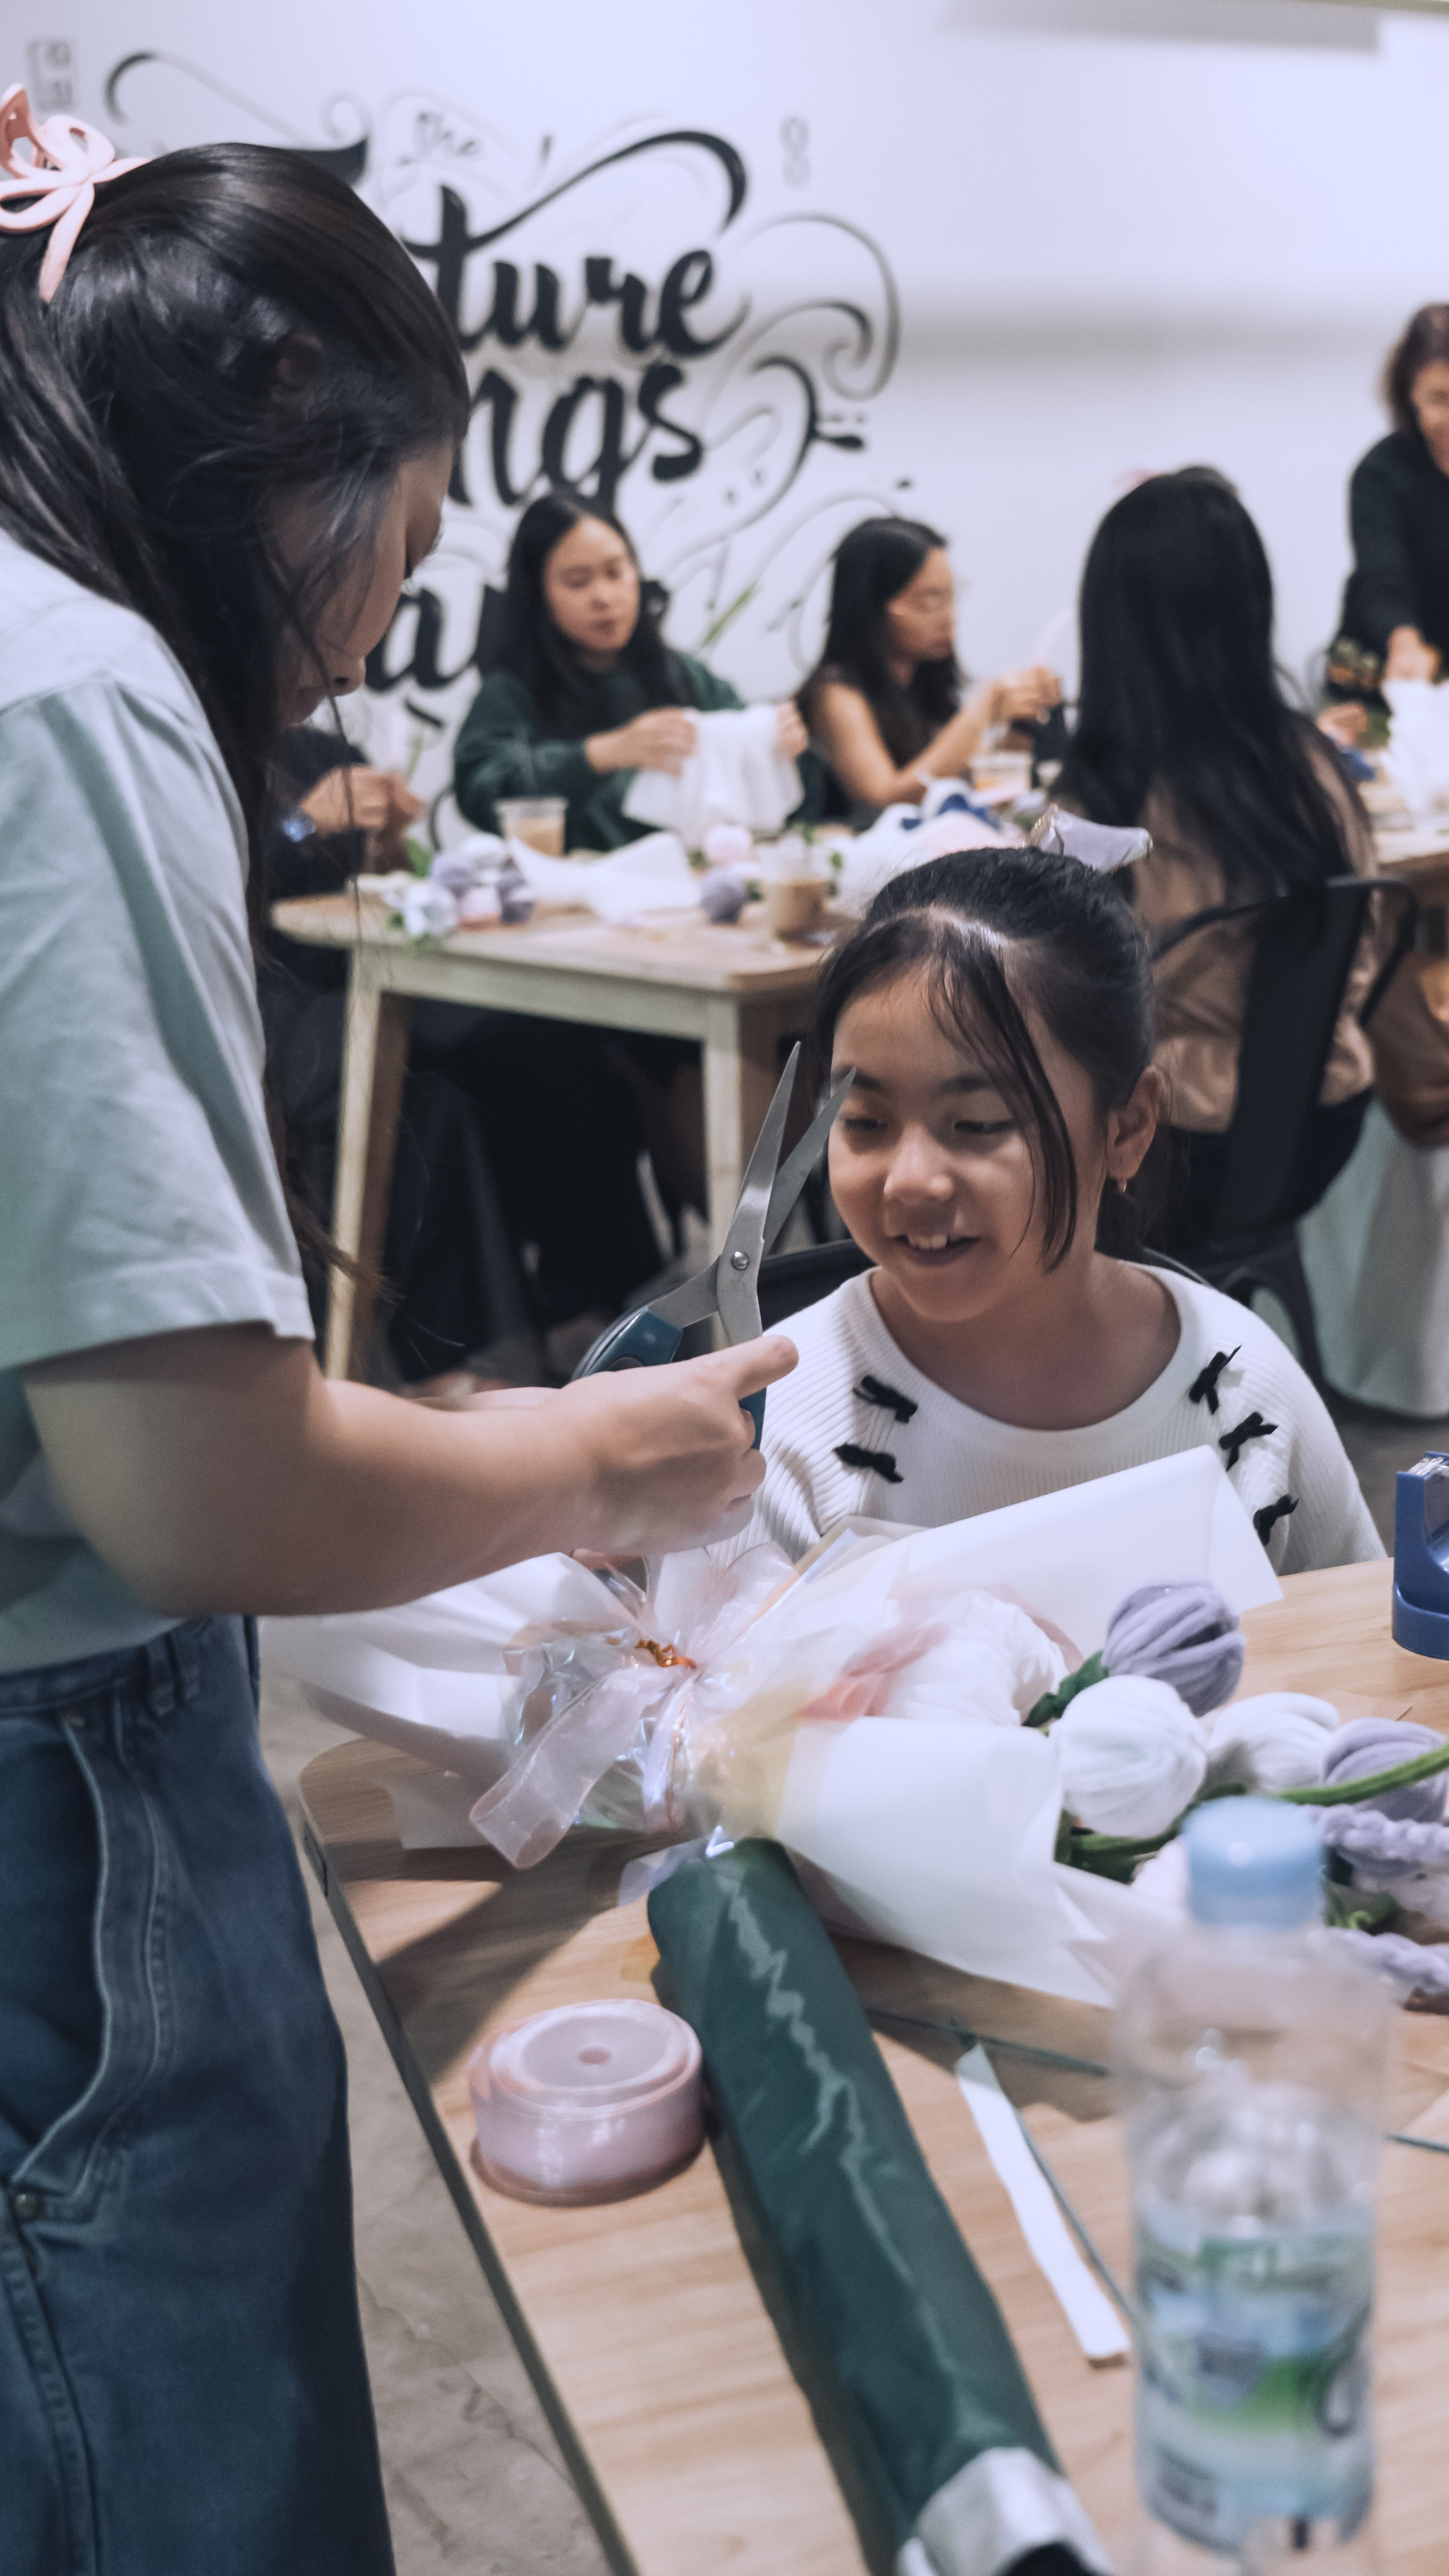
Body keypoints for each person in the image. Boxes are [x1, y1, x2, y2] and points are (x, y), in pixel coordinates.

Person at [0, 100, 793, 2576]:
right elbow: (197, 1486)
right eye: (416, 546)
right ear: (295, 467)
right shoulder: (78, 699)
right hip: (64, 1799)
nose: (379, 628)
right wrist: (592, 1449)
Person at [734, 848, 1379, 1576]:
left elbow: (1365, 1650)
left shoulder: (1240, 1385)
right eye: (864, 1121)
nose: (910, 1180)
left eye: (976, 1123)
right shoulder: (780, 1430)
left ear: (1127, 1128)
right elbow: (702, 1685)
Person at [262, 728, 669, 1382]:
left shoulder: (320, 745)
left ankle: (589, 1301)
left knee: (548, 1042)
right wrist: (302, 822)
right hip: (272, 999)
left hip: (365, 965)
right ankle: (466, 1356)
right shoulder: (203, 742)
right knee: (425, 1095)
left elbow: (384, 876)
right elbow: (202, 887)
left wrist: (388, 837)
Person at [1053, 467, 1384, 1251]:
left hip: (1176, 1152)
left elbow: (1060, 991)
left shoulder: (1112, 793)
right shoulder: (1313, 768)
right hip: (1320, 1117)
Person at [453, 491, 814, 850]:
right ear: (538, 592)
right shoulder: (512, 690)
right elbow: (481, 788)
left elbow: (746, 740)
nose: (604, 598)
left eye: (615, 572)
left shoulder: (680, 673)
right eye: (578, 582)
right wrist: (602, 753)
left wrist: (773, 739)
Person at [799, 516, 1062, 816]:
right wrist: (982, 710)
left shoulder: (926, 688)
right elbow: (881, 801)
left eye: (951, 597)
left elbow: (995, 799)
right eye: (929, 601)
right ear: (871, 605)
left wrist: (1022, 724)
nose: (948, 617)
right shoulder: (835, 694)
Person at [1333, 304, 1449, 694]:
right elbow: (1382, 577)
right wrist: (1404, 642)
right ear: (1408, 392)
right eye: (1439, 398)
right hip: (1375, 671)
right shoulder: (1379, 475)